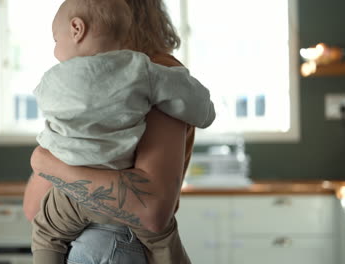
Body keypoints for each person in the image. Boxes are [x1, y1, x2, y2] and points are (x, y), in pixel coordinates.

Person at [24, 0, 212, 263]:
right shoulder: (142, 77)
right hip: (100, 243)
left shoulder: (153, 71)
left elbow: (152, 210)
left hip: (106, 243)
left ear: (79, 28)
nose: (56, 52)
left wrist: (45, 162)